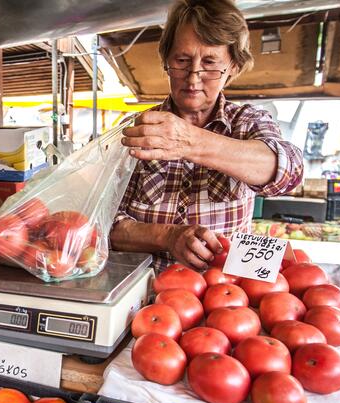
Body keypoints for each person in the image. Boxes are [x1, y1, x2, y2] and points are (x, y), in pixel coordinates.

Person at [112, 0, 303, 272]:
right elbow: (103, 224)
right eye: (182, 61)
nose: (193, 78)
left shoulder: (248, 123)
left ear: (233, 67)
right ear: (167, 62)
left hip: (226, 295)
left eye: (211, 63)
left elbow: (289, 173)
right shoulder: (138, 128)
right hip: (142, 292)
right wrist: (167, 236)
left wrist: (190, 142)